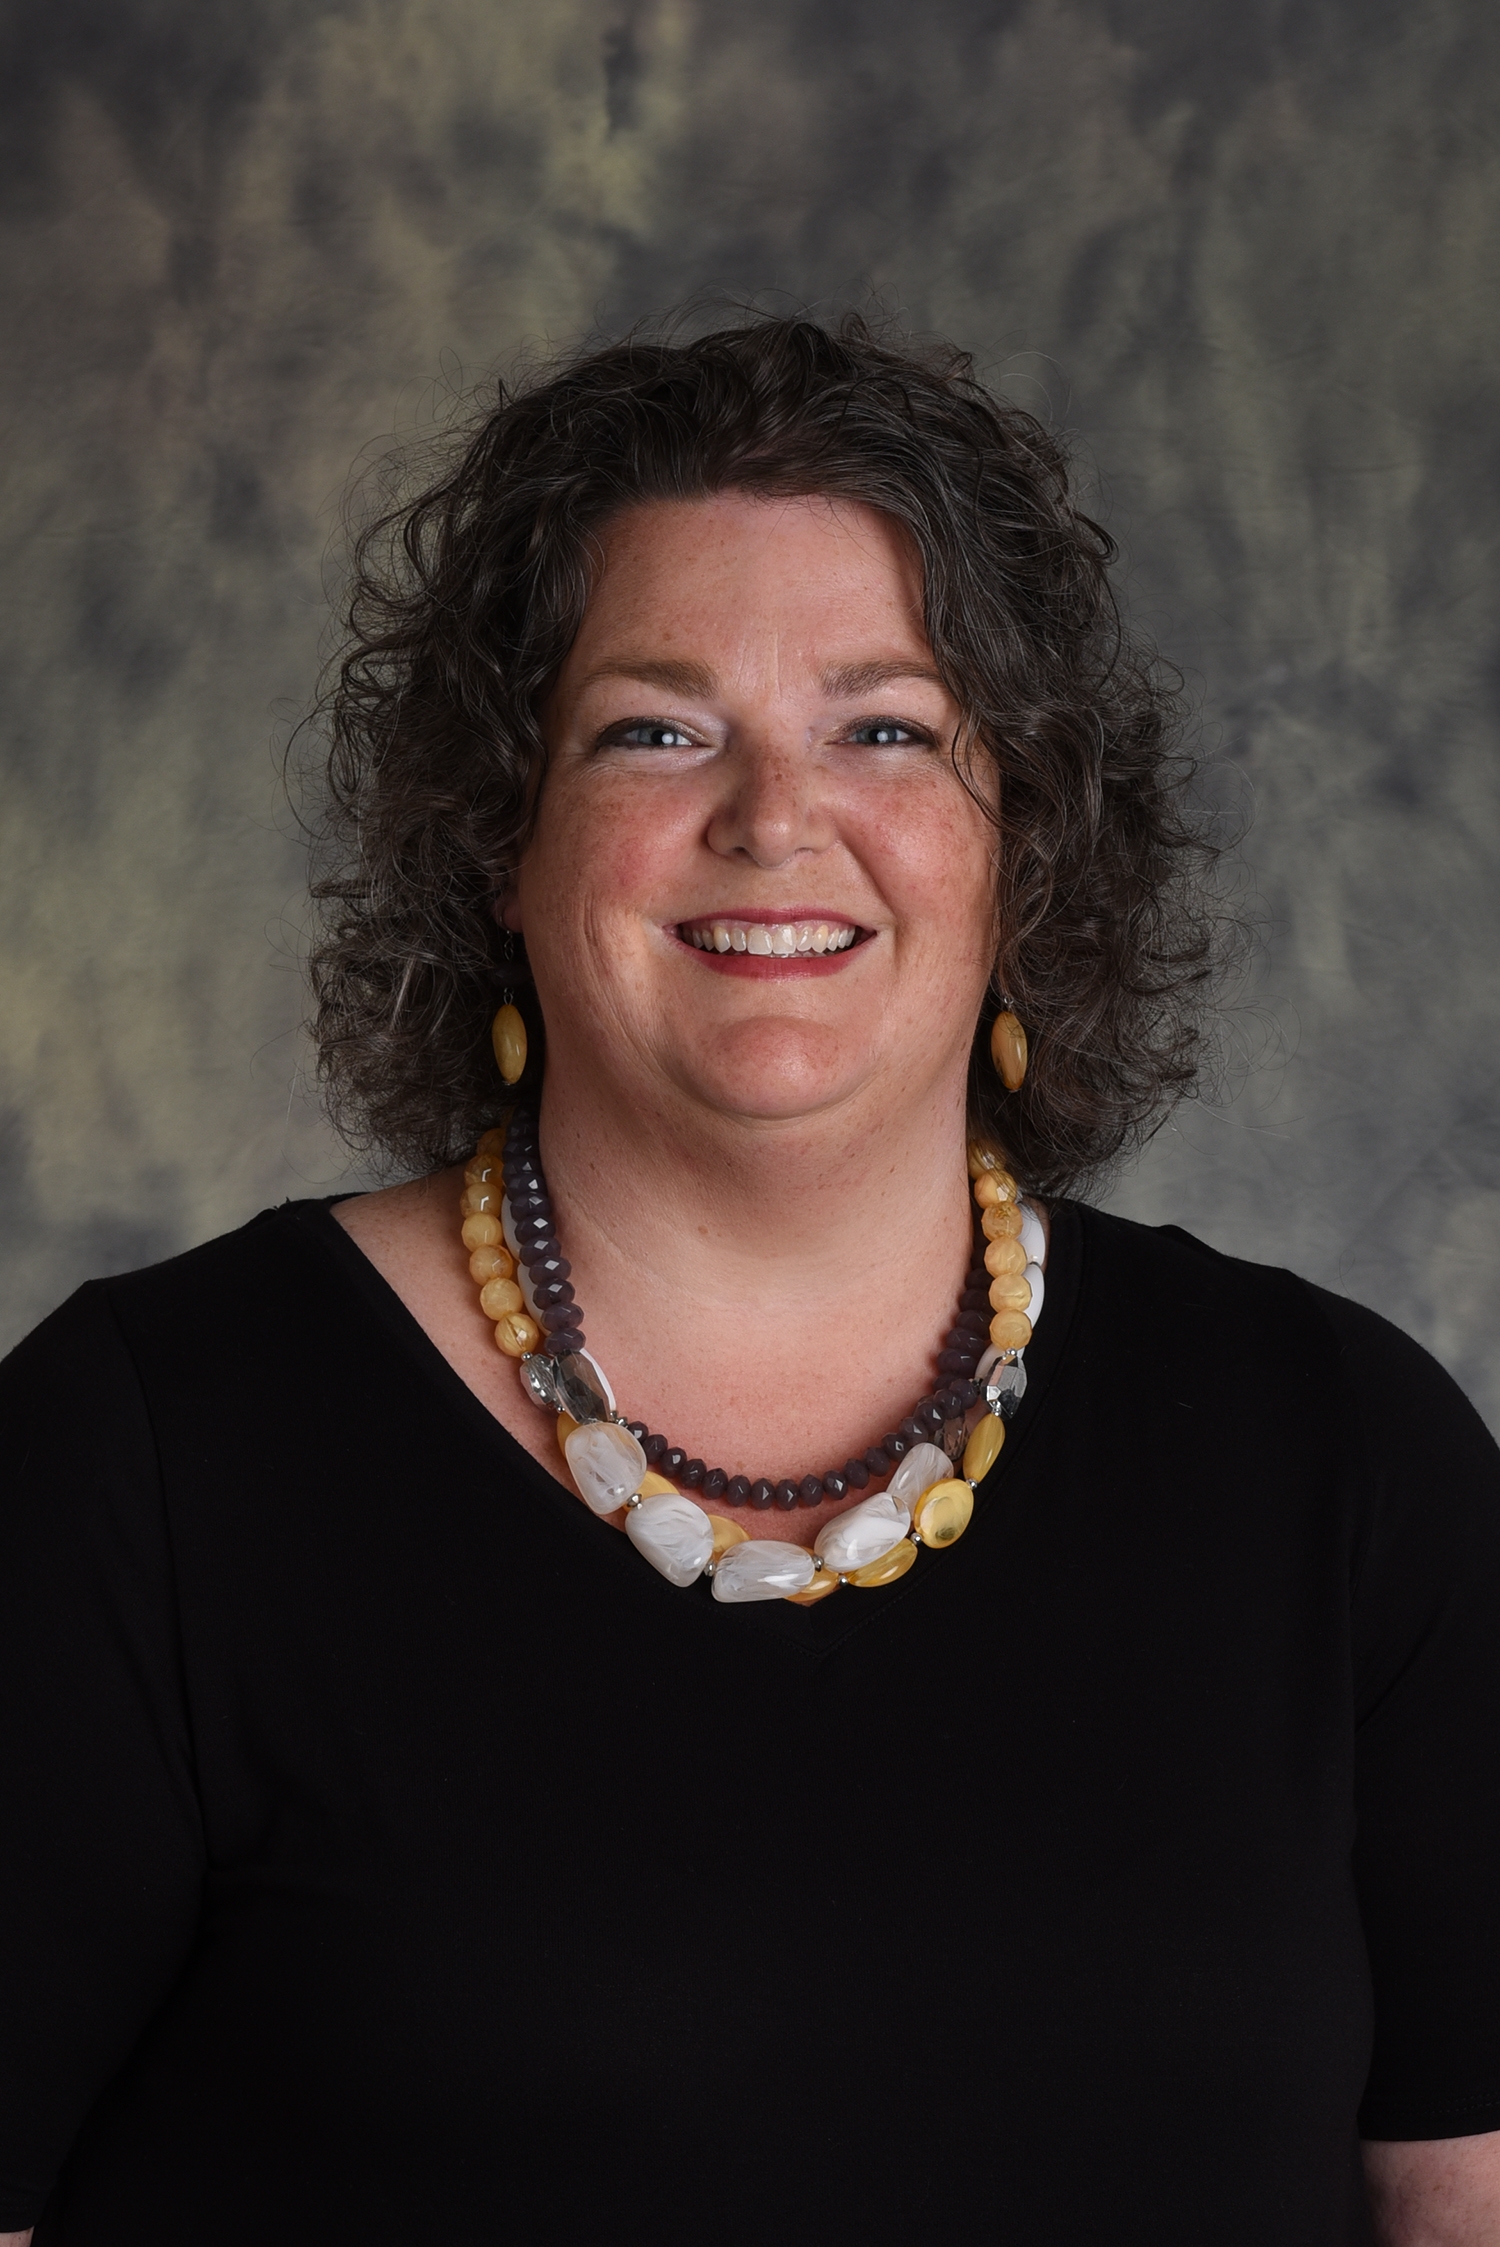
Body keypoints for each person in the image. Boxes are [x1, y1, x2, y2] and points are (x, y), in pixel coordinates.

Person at [2, 314, 1498, 2247]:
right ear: (499, 850)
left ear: (1024, 840)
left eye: (885, 726)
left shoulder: (1347, 1460)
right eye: (657, 727)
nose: (773, 819)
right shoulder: (142, 1463)